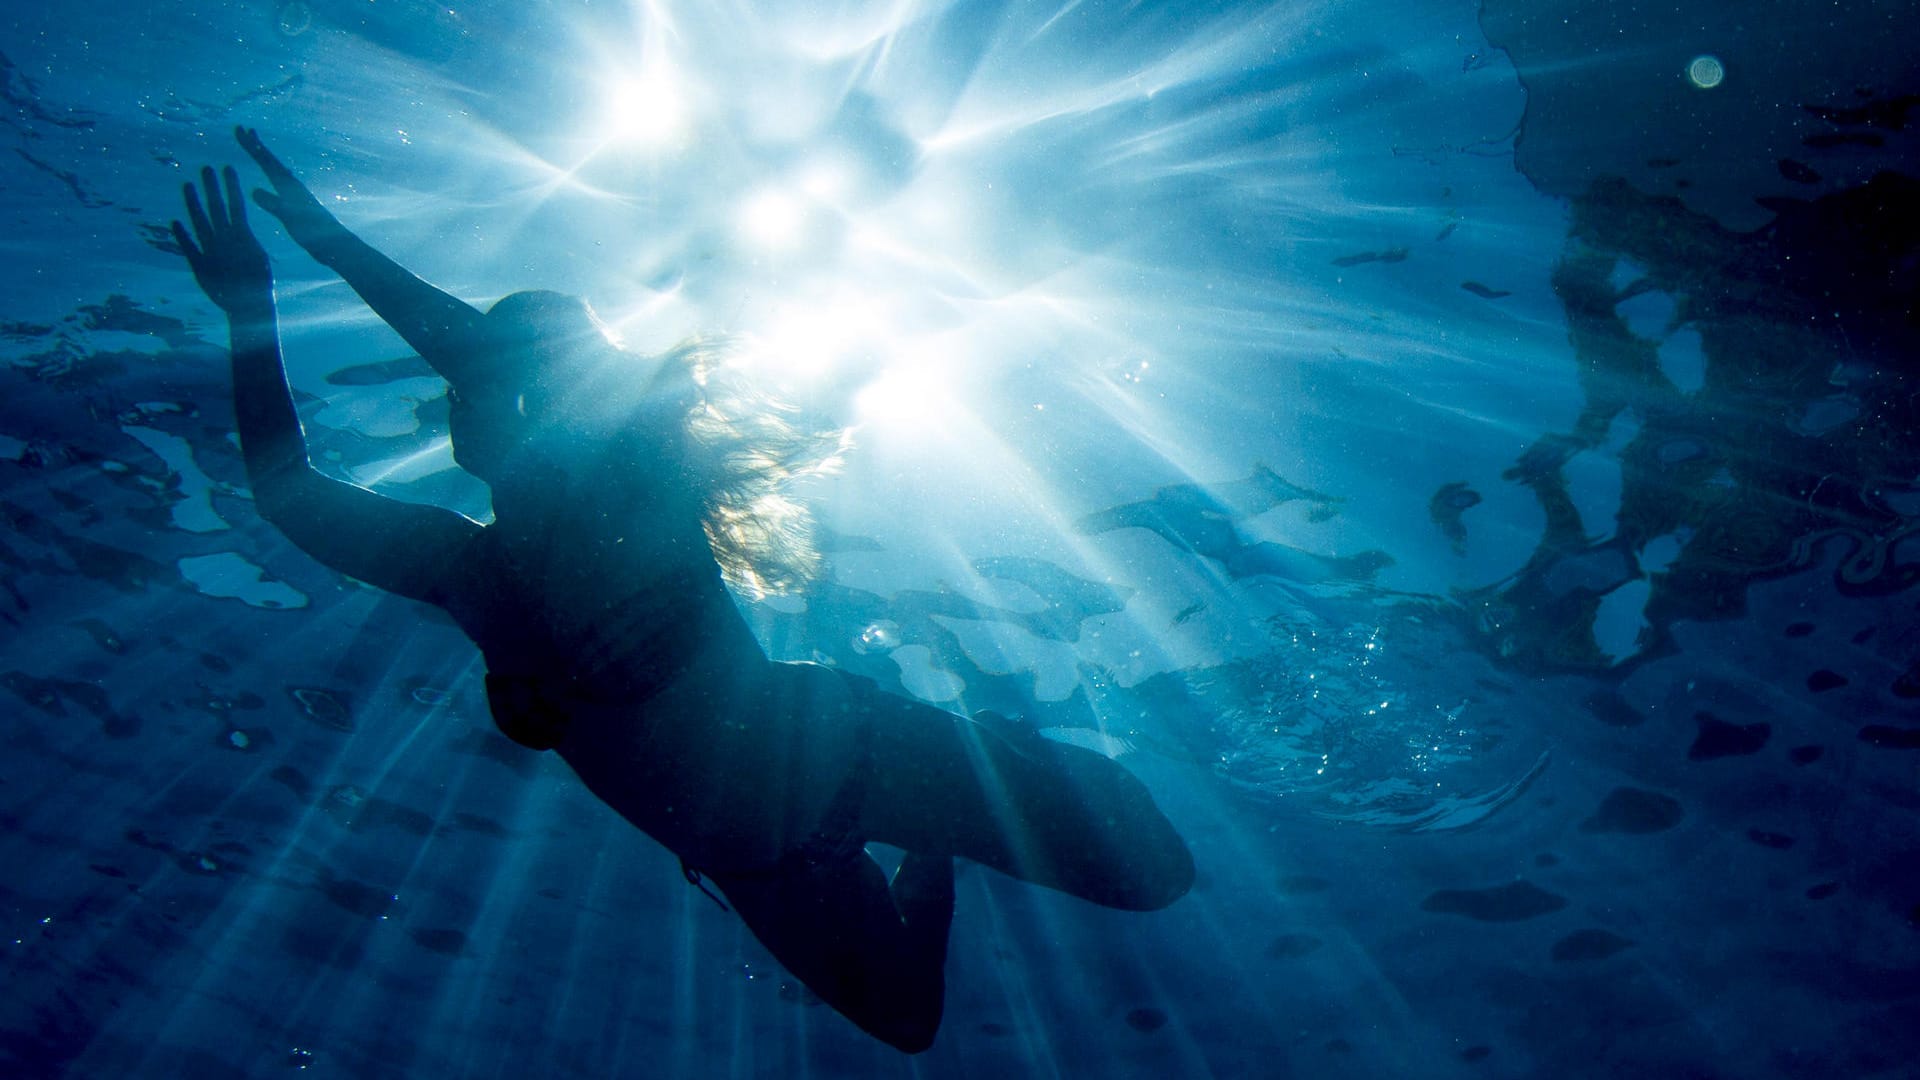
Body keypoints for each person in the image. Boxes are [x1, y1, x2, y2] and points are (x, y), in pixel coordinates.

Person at [172, 127, 1194, 1053]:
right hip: (770, 864)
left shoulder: (636, 473)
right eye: (483, 382)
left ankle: (992, 749)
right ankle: (946, 836)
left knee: (1156, 874)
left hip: (854, 755)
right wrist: (251, 310)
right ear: (466, 423)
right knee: (905, 1021)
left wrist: (321, 246)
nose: (488, 380)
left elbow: (472, 352)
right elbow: (288, 493)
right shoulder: (464, 569)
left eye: (522, 367)